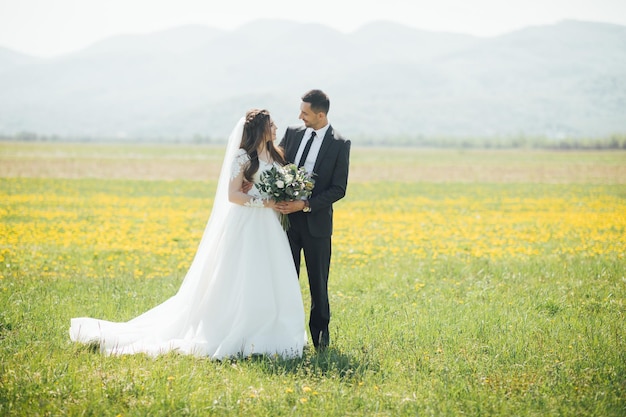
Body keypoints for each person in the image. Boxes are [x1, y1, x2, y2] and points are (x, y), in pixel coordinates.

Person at [70, 109, 307, 359]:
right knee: (243, 273)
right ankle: (238, 328)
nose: (276, 127)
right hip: (248, 222)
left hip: (270, 226)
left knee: (270, 274)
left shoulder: (275, 154)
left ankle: (272, 329)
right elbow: (233, 195)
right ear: (260, 128)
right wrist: (264, 202)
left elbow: (276, 182)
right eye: (271, 124)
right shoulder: (242, 157)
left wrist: (286, 194)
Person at [276, 90, 351, 351]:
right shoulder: (292, 134)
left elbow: (339, 188)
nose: (300, 116)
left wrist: (306, 204)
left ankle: (320, 342)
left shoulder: (340, 143)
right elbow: (278, 169)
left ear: (321, 115)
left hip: (317, 225)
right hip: (286, 224)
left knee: (318, 284)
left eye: (305, 113)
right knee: (285, 280)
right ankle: (285, 337)